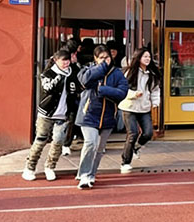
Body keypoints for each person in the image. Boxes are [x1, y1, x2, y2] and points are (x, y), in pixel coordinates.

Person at [22, 49, 81, 182]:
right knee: (40, 140)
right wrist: (59, 78)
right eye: (63, 60)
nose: (66, 63)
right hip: (47, 113)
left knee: (58, 141)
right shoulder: (47, 74)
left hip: (63, 115)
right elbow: (48, 88)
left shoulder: (73, 73)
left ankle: (50, 167)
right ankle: (30, 167)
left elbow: (78, 88)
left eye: (68, 60)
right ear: (55, 60)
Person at [75, 45, 128, 189]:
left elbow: (122, 92)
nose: (105, 60)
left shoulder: (117, 73)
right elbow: (84, 81)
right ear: (95, 58)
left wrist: (102, 90)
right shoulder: (88, 70)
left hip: (108, 116)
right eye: (101, 58)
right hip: (88, 115)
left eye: (107, 57)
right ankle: (84, 175)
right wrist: (101, 68)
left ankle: (91, 174)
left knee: (99, 149)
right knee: (90, 143)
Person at [118, 48, 161, 173]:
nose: (147, 59)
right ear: (138, 58)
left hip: (144, 107)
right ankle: (125, 162)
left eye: (149, 57)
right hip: (129, 107)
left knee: (148, 133)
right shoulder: (129, 72)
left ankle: (135, 148)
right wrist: (133, 94)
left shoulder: (152, 74)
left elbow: (155, 89)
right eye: (145, 57)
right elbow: (122, 89)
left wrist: (155, 102)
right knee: (133, 133)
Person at [61, 38, 84, 157]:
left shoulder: (74, 62)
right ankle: (63, 143)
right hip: (63, 94)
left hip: (73, 94)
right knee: (67, 119)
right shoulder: (63, 59)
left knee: (72, 119)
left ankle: (66, 143)